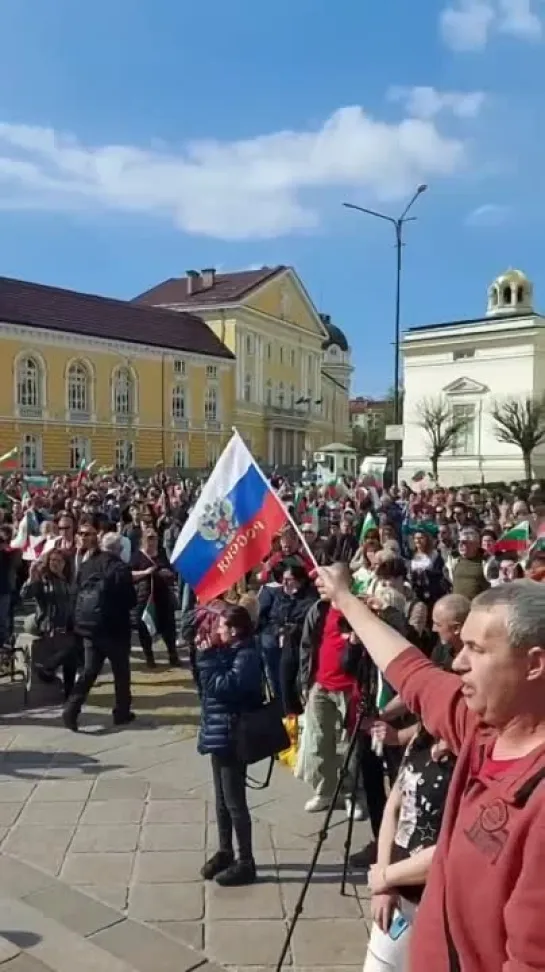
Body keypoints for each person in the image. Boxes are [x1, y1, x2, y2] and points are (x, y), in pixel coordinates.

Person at [314, 564, 545, 972]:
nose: (458, 663)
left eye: (477, 649)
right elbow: (412, 673)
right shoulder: (484, 726)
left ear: (534, 663)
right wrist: (344, 598)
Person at [362, 726, 456, 972]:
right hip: (397, 891)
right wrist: (385, 881)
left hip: (436, 898)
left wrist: (384, 877)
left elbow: (450, 848)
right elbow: (394, 804)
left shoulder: (469, 752)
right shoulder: (422, 736)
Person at [196, 604, 263, 887]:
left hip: (233, 733)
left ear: (234, 630)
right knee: (222, 800)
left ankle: (246, 860)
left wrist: (208, 659)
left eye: (221, 627)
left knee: (235, 801)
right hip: (217, 732)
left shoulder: (246, 656)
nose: (217, 630)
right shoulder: (227, 652)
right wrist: (203, 654)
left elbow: (225, 687)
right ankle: (225, 850)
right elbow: (204, 684)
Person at [63, 522, 136, 731]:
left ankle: (71, 709)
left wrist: (73, 623)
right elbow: (130, 600)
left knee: (89, 672)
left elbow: (75, 593)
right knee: (121, 672)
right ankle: (122, 712)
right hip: (115, 630)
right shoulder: (121, 568)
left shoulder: (87, 565)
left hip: (89, 628)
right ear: (120, 549)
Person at [21, 547, 79, 697]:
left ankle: (67, 688)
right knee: (72, 649)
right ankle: (49, 668)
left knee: (75, 650)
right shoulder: (44, 579)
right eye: (52, 560)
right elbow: (25, 595)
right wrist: (31, 577)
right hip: (49, 623)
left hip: (68, 624)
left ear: (66, 563)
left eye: (59, 561)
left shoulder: (70, 579)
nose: (55, 564)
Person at [131, 527, 180, 669]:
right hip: (144, 599)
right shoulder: (137, 556)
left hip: (163, 598)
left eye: (154, 538)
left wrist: (168, 573)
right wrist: (145, 572)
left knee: (169, 628)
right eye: (149, 538)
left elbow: (172, 572)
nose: (152, 541)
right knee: (144, 629)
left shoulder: (162, 554)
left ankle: (172, 654)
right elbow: (129, 574)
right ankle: (149, 656)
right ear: (143, 540)